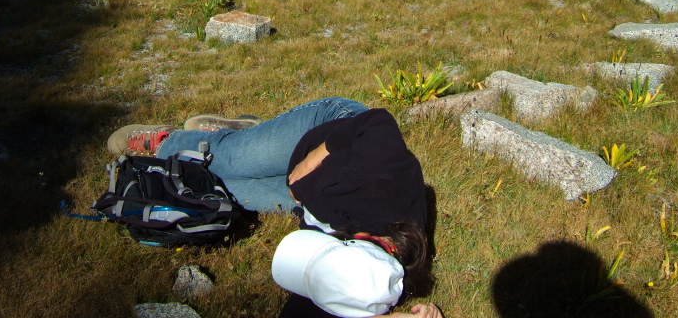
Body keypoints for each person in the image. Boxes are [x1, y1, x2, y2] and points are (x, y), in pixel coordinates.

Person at [107, 97, 440, 318]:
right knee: (232, 159)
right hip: (330, 132)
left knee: (220, 191)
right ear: (353, 241)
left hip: (307, 198)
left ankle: (235, 137)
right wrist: (311, 159)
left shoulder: (366, 284)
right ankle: (171, 141)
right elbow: (376, 121)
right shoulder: (385, 190)